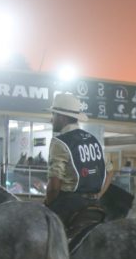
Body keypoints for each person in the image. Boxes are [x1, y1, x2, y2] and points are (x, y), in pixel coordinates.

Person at [44, 92, 112, 230]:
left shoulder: (59, 142)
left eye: (54, 115)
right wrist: (97, 195)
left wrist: (47, 204)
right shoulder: (93, 140)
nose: (51, 120)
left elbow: (54, 185)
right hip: (96, 205)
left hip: (69, 204)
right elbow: (109, 172)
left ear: (62, 117)